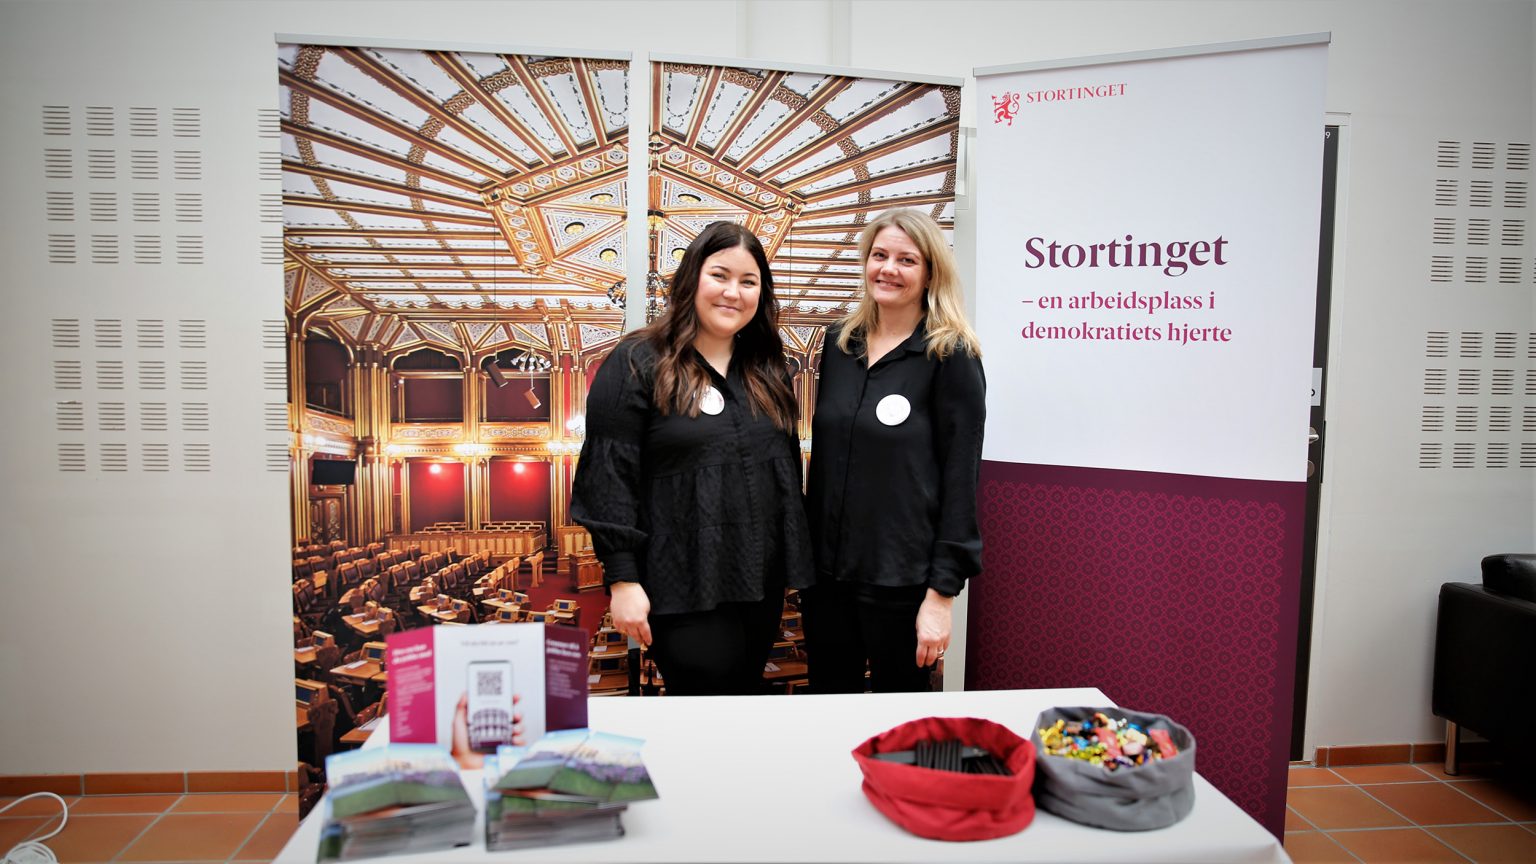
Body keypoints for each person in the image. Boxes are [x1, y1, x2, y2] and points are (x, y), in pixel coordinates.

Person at [570, 221, 811, 696]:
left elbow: (785, 471)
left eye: (748, 281)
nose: (733, 292)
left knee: (742, 701)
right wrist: (623, 581)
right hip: (679, 584)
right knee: (703, 703)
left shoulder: (768, 369)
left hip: (759, 585)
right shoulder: (637, 361)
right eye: (720, 275)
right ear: (692, 279)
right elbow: (609, 476)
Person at [804, 209, 986, 693]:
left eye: (907, 260)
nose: (888, 269)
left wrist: (941, 596)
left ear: (929, 273)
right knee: (825, 710)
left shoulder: (951, 355)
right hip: (827, 580)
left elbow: (960, 480)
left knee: (900, 718)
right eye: (879, 255)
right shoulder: (839, 344)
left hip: (902, 582)